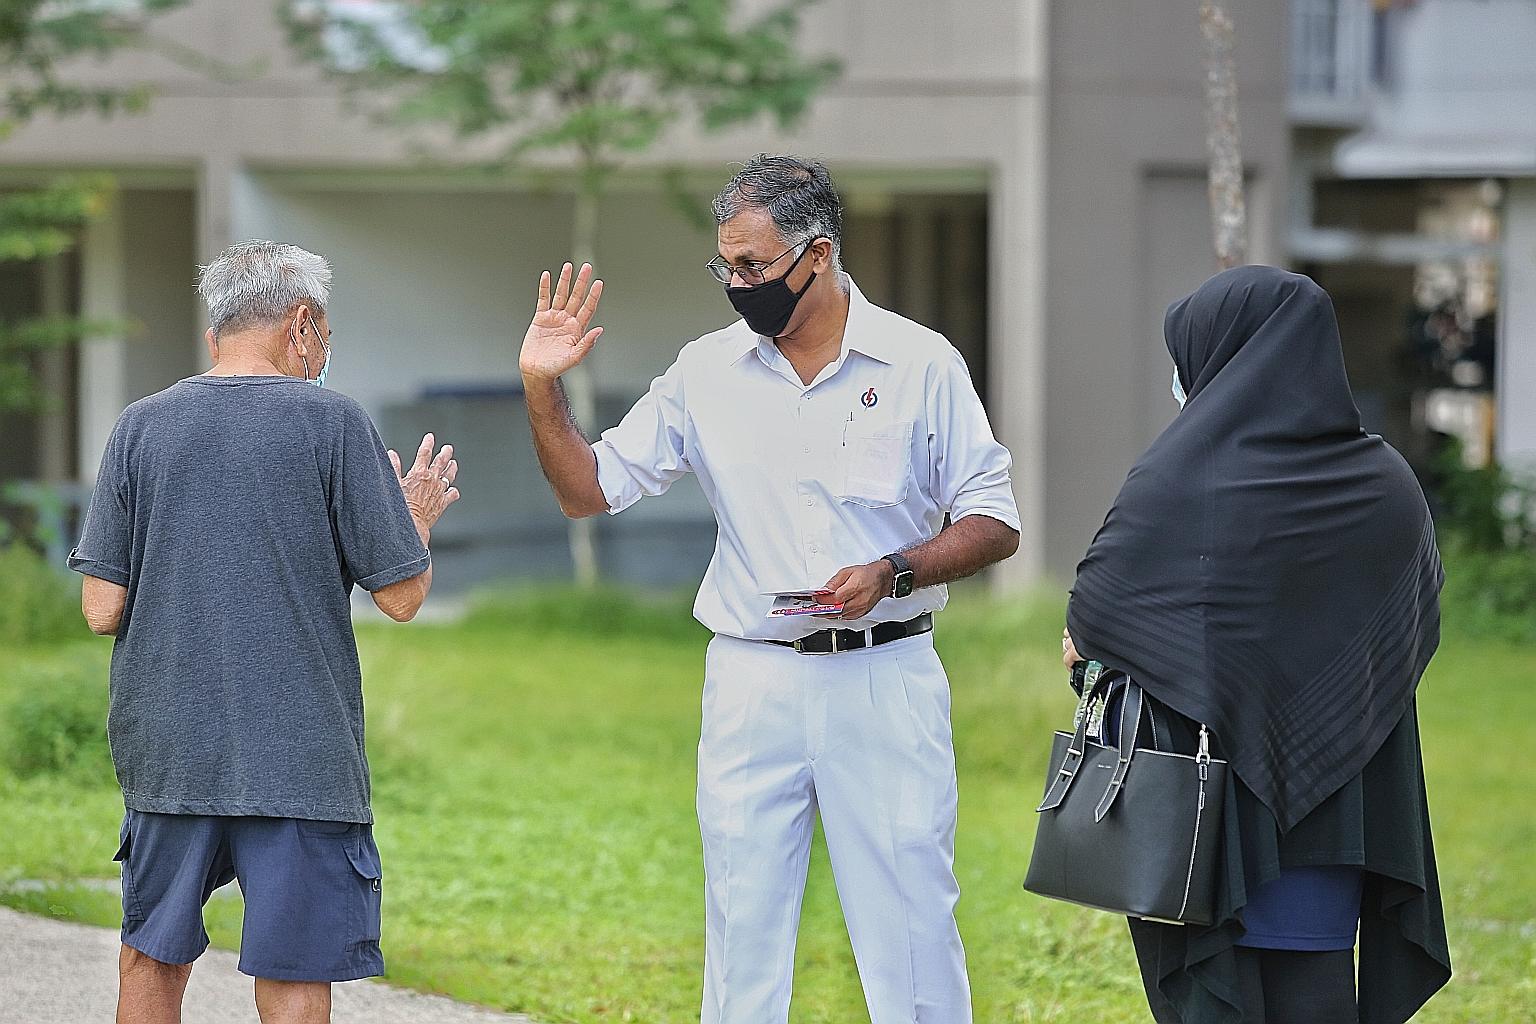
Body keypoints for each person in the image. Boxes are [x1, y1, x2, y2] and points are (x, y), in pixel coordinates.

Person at [518, 154, 1020, 1024]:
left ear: (816, 254)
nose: (736, 285)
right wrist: (541, 387)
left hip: (885, 674)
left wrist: (893, 571)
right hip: (752, 677)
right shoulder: (707, 370)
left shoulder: (919, 362)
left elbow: (994, 519)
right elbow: (586, 489)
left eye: (752, 267)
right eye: (726, 265)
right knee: (742, 917)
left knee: (910, 921)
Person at [67, 239, 461, 1024]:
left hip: (170, 748)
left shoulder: (140, 426)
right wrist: (410, 518)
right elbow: (403, 598)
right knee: (293, 967)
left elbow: (101, 609)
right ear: (303, 324)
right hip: (299, 754)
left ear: (217, 330)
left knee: (151, 955)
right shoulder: (335, 424)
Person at [1062, 265, 1450, 1023]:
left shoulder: (1176, 479)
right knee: (1317, 993)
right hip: (1335, 808)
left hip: (1202, 821)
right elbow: (1406, 629)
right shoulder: (1387, 485)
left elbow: (1093, 627)